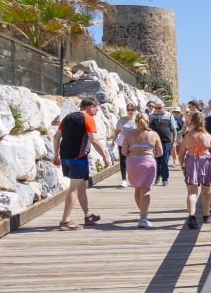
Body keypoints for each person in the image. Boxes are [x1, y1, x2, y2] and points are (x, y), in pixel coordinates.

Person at [53, 97, 109, 230]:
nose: (96, 111)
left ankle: (88, 215)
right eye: (96, 108)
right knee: (74, 188)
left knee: (82, 187)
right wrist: (105, 157)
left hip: (66, 156)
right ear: (90, 106)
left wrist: (56, 154)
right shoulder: (88, 118)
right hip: (78, 157)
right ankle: (65, 222)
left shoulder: (67, 117)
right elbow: (94, 140)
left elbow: (56, 136)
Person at [177, 112, 211, 230]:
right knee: (206, 190)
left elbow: (181, 154)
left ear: (192, 121)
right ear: (203, 122)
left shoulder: (187, 136)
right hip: (205, 162)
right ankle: (206, 215)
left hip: (191, 161)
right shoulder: (207, 136)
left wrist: (182, 166)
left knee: (192, 191)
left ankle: (191, 216)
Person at [120, 112, 163, 228]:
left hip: (132, 162)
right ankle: (143, 218)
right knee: (146, 189)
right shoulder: (153, 134)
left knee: (137, 188)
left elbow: (124, 152)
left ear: (136, 122)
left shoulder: (129, 135)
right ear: (147, 121)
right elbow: (160, 153)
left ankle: (143, 213)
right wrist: (151, 152)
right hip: (148, 161)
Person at [148, 101, 177, 186]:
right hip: (154, 143)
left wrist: (174, 141)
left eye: (159, 108)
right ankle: (157, 176)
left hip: (166, 142)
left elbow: (173, 129)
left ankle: (165, 178)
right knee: (155, 161)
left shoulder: (169, 116)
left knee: (164, 161)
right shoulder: (151, 116)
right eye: (155, 108)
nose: (157, 109)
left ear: (164, 107)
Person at [113, 104, 138, 188]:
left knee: (133, 161)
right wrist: (113, 140)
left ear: (135, 110)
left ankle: (133, 178)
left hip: (134, 143)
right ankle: (124, 179)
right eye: (128, 109)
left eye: (132, 109)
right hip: (123, 142)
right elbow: (117, 131)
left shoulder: (137, 120)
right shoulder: (122, 120)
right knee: (123, 160)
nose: (130, 111)